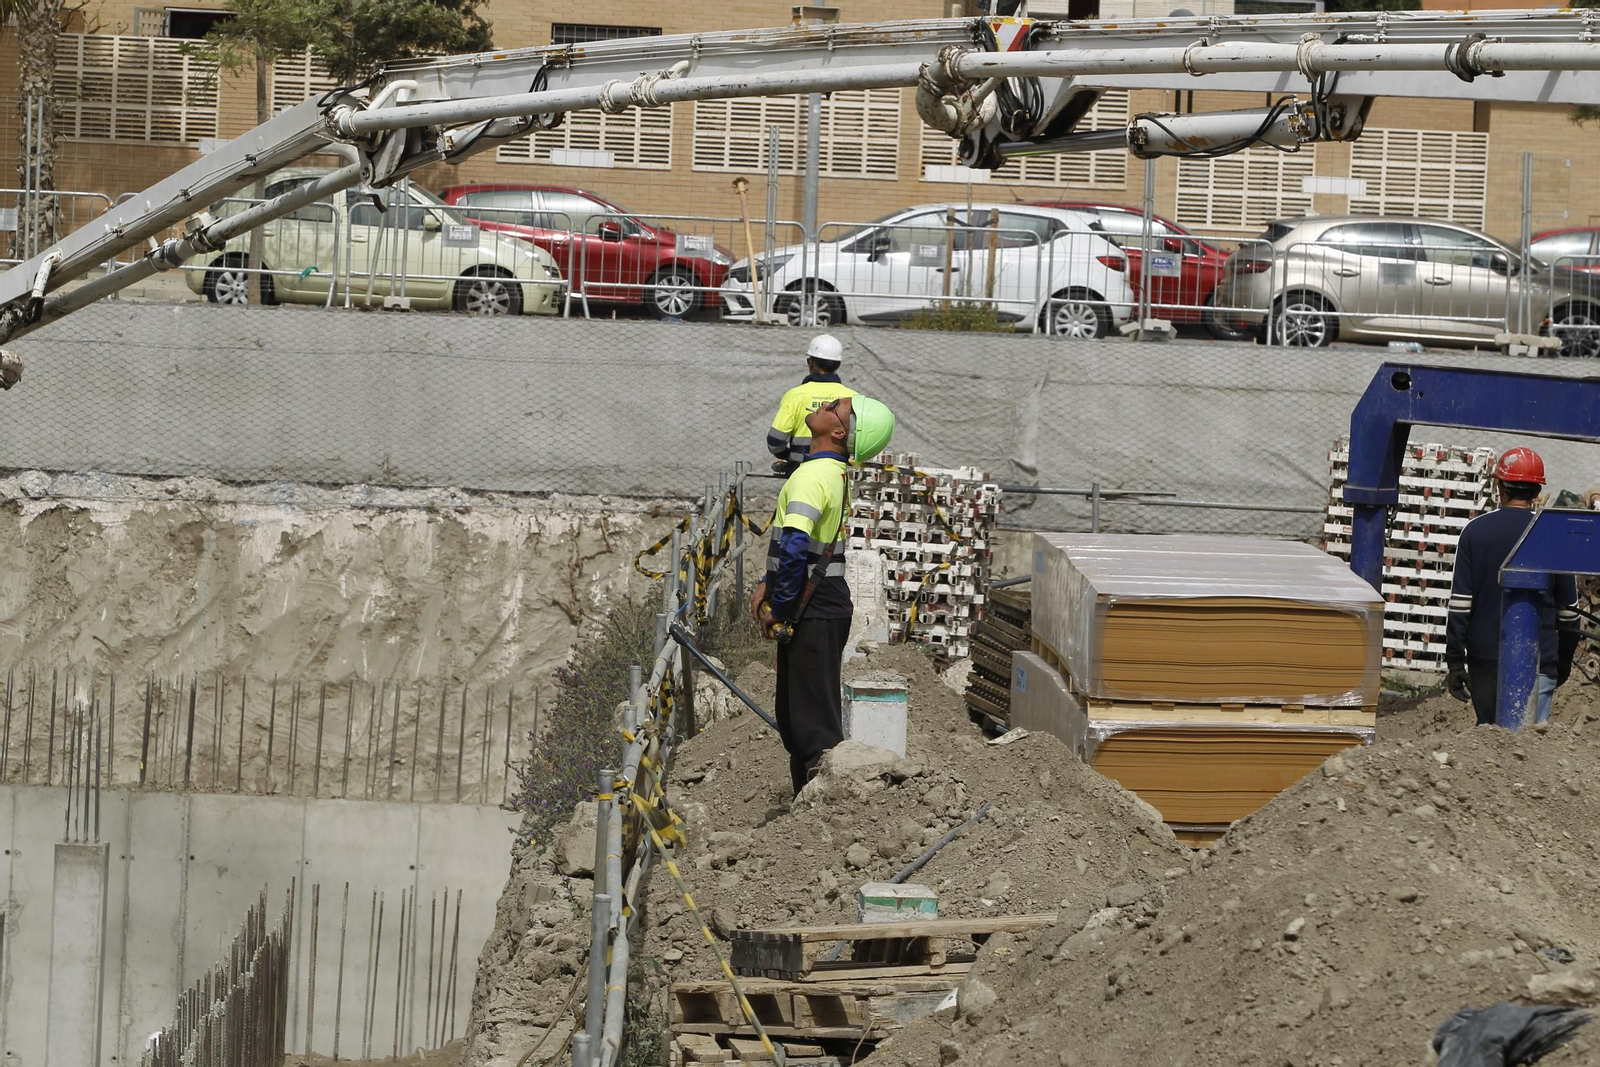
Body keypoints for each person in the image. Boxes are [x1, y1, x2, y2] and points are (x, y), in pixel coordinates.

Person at [749, 394, 896, 795]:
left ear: (838, 432)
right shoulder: (824, 472)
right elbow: (804, 546)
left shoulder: (813, 477)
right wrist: (770, 580)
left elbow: (797, 547)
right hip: (820, 605)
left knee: (814, 729)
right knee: (797, 720)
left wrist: (778, 607)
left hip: (814, 609)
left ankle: (825, 819)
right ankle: (807, 811)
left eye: (835, 408)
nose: (827, 402)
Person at [1445, 446, 1582, 726]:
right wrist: (1562, 663)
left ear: (1500, 488)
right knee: (1528, 746)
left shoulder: (1474, 533)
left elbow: (1460, 605)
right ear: (1536, 491)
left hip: (1485, 661)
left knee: (1490, 742)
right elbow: (1568, 614)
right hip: (1540, 661)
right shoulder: (1552, 536)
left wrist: (1456, 663)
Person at [765, 334, 856, 476]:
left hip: (800, 473)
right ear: (838, 365)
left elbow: (775, 441)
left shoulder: (795, 395)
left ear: (810, 362)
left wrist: (791, 458)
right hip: (838, 475)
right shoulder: (853, 398)